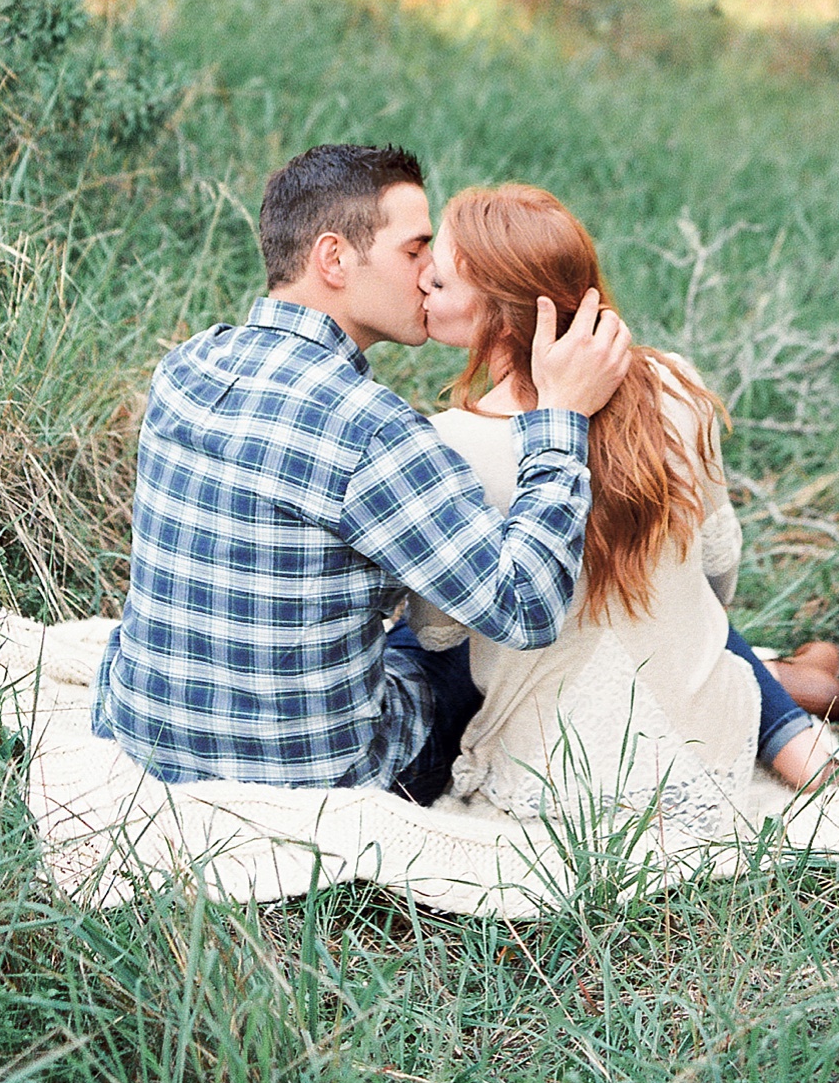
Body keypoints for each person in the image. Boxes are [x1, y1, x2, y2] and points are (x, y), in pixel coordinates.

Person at [90, 143, 633, 795]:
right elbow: (526, 609)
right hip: (317, 776)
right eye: (414, 250)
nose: (433, 273)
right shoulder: (373, 430)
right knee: (454, 644)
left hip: (141, 733)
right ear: (334, 257)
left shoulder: (185, 365)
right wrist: (562, 419)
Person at [412, 184, 839, 820]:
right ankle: (803, 693)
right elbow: (718, 570)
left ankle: (804, 683)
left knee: (411, 644)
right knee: (664, 605)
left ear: (505, 312)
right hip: (700, 727)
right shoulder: (673, 386)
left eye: (441, 278)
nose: (423, 281)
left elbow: (440, 634)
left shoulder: (451, 444)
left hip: (548, 761)